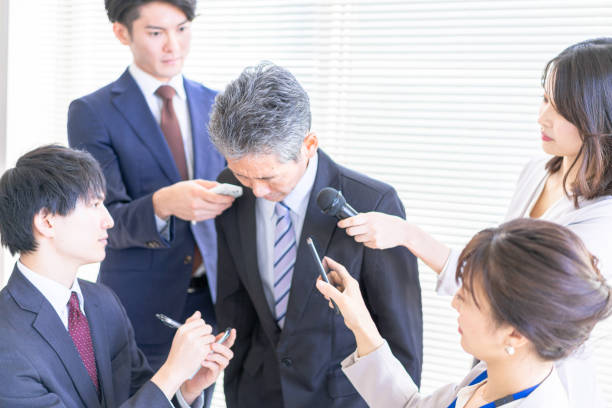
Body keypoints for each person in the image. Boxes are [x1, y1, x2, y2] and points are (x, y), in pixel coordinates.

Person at [337, 38, 612, 405]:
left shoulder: (599, 225)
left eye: (560, 109)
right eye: (545, 98)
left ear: (598, 118)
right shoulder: (536, 173)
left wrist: (409, 236)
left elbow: (499, 286)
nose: (541, 117)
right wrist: (361, 324)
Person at [208, 62, 423, 408]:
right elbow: (236, 311)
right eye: (244, 176)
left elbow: (401, 339)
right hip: (258, 394)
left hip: (343, 398)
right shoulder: (233, 188)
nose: (256, 192)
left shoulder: (373, 204)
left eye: (269, 177)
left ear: (309, 144)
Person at [67, 0, 234, 384]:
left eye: (182, 28)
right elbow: (103, 218)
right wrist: (163, 203)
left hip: (211, 303)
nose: (172, 45)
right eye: (156, 33)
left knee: (196, 397)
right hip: (138, 307)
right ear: (122, 32)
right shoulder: (92, 112)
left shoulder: (216, 103)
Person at [0, 145, 236, 408]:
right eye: (95, 204)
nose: (109, 220)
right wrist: (172, 373)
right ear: (47, 221)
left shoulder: (103, 301)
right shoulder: (6, 340)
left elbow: (138, 395)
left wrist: (187, 390)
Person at [317, 218, 612, 407]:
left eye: (468, 297)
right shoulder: (489, 375)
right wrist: (359, 321)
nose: (454, 302)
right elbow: (410, 406)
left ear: (515, 333)